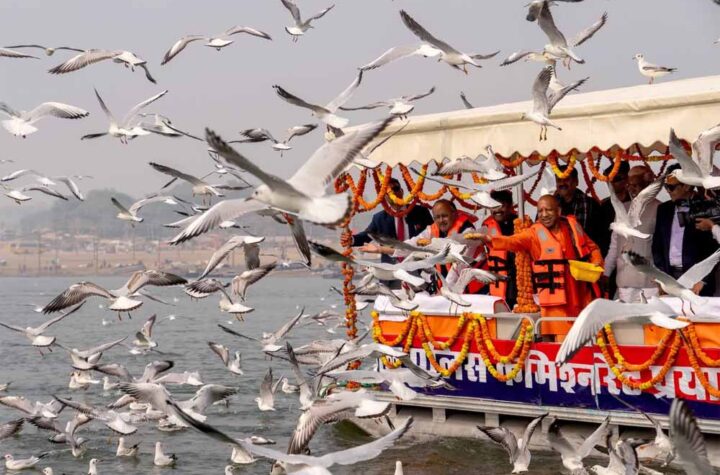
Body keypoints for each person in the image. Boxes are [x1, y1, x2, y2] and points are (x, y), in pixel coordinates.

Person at [472, 195, 604, 342]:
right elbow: (513, 241)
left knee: (585, 339)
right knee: (560, 343)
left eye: (548, 210)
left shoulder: (571, 226)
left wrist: (597, 262)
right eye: (540, 211)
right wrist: (489, 239)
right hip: (555, 302)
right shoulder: (534, 233)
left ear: (559, 211)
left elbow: (592, 248)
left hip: (580, 294)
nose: (544, 215)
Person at [652, 164, 718, 296]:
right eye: (666, 187)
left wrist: (703, 280)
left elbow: (714, 250)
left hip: (697, 282)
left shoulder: (707, 207)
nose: (668, 191)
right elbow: (657, 246)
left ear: (687, 186)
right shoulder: (663, 209)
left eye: (671, 187)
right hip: (670, 278)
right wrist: (662, 277)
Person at [602, 165, 661, 302]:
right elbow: (614, 246)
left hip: (650, 283)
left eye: (635, 185)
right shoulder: (622, 208)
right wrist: (606, 273)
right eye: (629, 185)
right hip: (625, 281)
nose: (631, 189)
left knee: (650, 316)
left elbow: (662, 249)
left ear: (648, 184)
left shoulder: (660, 208)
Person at [353, 178, 433, 265]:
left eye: (395, 189)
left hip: (419, 265)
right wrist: (351, 239)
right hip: (391, 268)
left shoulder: (421, 212)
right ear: (385, 196)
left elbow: (434, 234)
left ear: (401, 191)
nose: (393, 193)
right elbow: (366, 236)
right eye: (388, 192)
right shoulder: (380, 218)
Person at [478, 190, 518, 307]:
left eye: (501, 206)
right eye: (493, 206)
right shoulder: (486, 227)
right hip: (496, 284)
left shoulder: (520, 223)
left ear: (510, 206)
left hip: (518, 284)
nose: (497, 210)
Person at [554, 164, 604, 249]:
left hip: (585, 254)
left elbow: (600, 238)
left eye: (566, 179)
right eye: (559, 180)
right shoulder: (549, 205)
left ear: (576, 181)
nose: (562, 183)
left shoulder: (591, 204)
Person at [597, 161, 630, 257]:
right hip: (609, 257)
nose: (611, 183)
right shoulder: (604, 206)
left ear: (627, 179)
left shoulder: (636, 203)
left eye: (615, 179)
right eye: (608, 180)